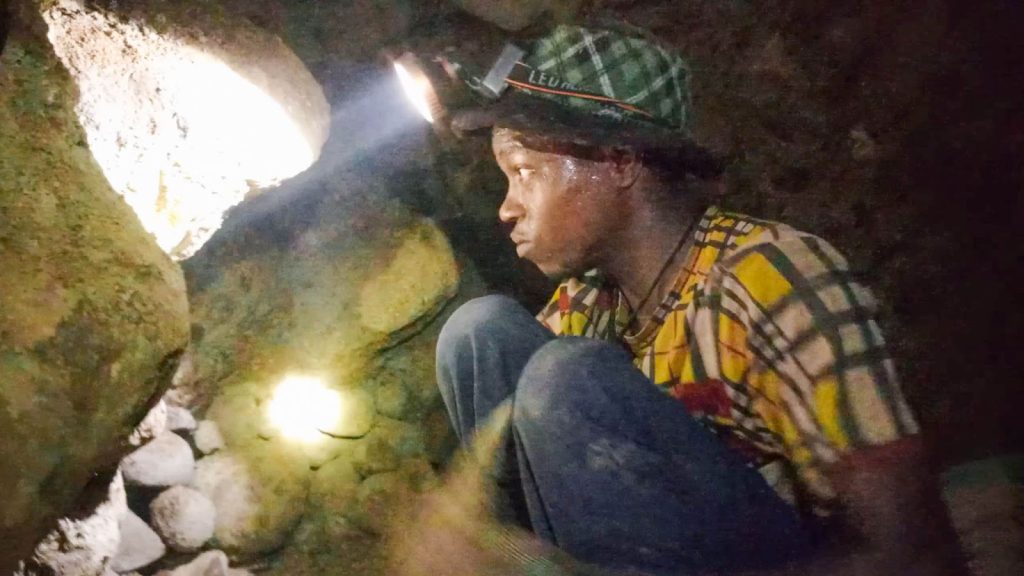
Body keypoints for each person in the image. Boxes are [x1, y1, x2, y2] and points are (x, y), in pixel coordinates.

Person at [402, 24, 964, 576]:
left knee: (564, 377)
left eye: (525, 173)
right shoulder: (589, 304)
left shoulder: (769, 278)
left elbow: (916, 553)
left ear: (620, 161)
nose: (507, 208)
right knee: (479, 332)